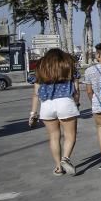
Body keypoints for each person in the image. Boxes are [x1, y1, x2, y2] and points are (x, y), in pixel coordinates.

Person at [29, 48, 80, 176]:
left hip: (47, 104)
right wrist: (77, 103)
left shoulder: (40, 68)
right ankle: (65, 158)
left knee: (53, 136)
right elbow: (76, 90)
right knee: (70, 135)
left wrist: (33, 113)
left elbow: (35, 94)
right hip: (65, 101)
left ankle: (58, 167)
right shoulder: (69, 65)